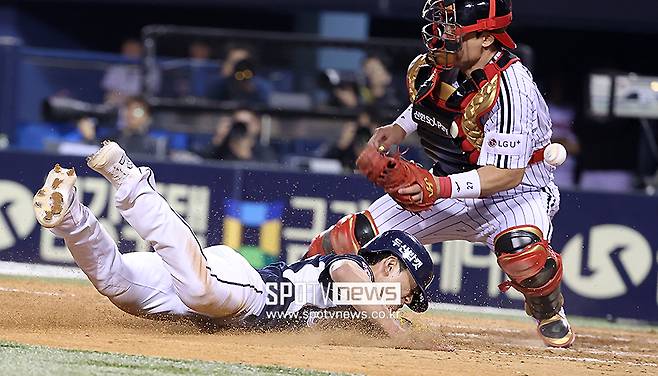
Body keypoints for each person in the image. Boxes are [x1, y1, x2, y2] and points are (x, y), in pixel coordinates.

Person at [303, 0, 575, 348]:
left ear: (487, 39)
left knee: (522, 252)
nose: (441, 35)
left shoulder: (512, 87)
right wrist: (399, 129)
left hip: (513, 193)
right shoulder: (437, 66)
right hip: (447, 182)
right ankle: (304, 303)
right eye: (441, 26)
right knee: (348, 240)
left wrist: (438, 186)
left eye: (452, 29)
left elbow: (505, 174)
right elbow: (433, 105)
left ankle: (547, 306)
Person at [31, 141, 434, 342]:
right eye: (408, 290)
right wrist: (402, 335)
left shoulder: (366, 309)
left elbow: (364, 316)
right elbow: (346, 272)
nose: (401, 300)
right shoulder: (360, 272)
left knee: (117, 284)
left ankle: (71, 218)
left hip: (217, 308)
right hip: (248, 295)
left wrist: (391, 326)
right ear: (391, 265)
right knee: (198, 288)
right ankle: (128, 177)